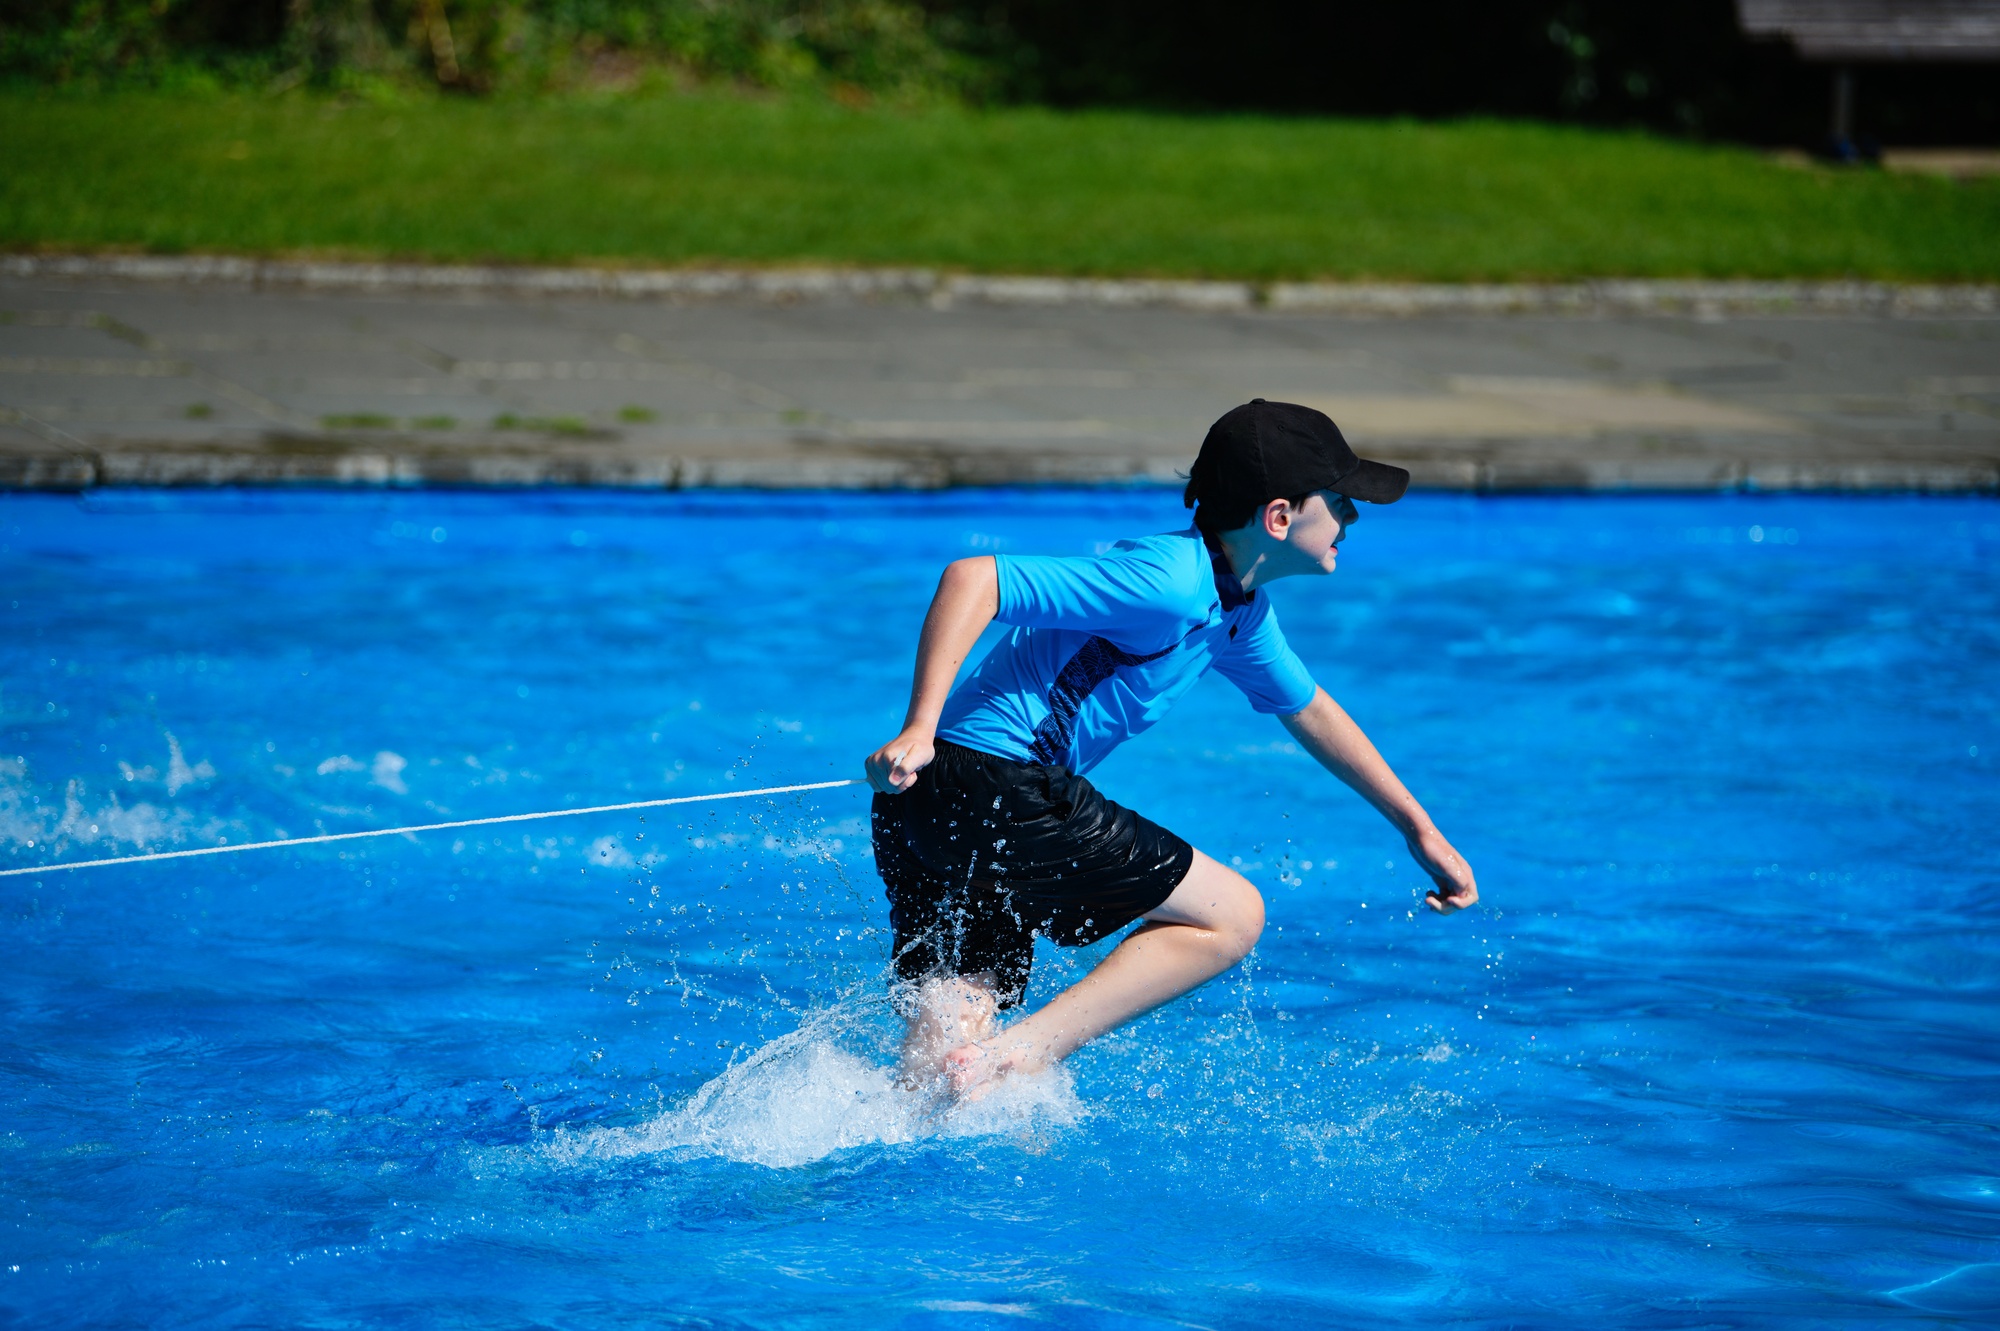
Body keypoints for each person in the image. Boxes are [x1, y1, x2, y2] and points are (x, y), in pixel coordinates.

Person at [864, 399, 1478, 1100]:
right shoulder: (1171, 580)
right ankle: (1023, 1055)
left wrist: (1418, 828)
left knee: (958, 1014)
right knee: (1233, 916)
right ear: (1279, 518)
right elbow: (975, 578)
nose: (1353, 518)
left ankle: (904, 1123)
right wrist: (919, 726)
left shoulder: (1237, 614)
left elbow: (1309, 708)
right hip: (995, 785)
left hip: (928, 801)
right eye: (1340, 502)